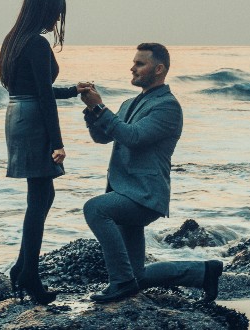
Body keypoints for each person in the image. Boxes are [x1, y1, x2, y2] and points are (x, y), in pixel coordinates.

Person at [80, 43, 223, 303]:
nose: (132, 68)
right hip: (124, 190)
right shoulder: (128, 103)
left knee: (95, 209)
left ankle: (120, 283)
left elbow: (133, 137)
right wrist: (92, 111)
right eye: (134, 62)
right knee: (138, 277)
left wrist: (101, 109)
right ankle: (204, 272)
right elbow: (103, 136)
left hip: (144, 195)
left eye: (139, 64)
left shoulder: (167, 107)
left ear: (159, 69)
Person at [0, 0, 90, 305]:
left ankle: (23, 268)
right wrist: (57, 143)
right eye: (57, 14)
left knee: (39, 196)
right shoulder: (36, 43)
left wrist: (72, 91)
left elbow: (36, 89)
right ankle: (29, 275)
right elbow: (44, 99)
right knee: (40, 199)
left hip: (17, 114)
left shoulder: (14, 40)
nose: (58, 21)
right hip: (34, 119)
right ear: (45, 11)